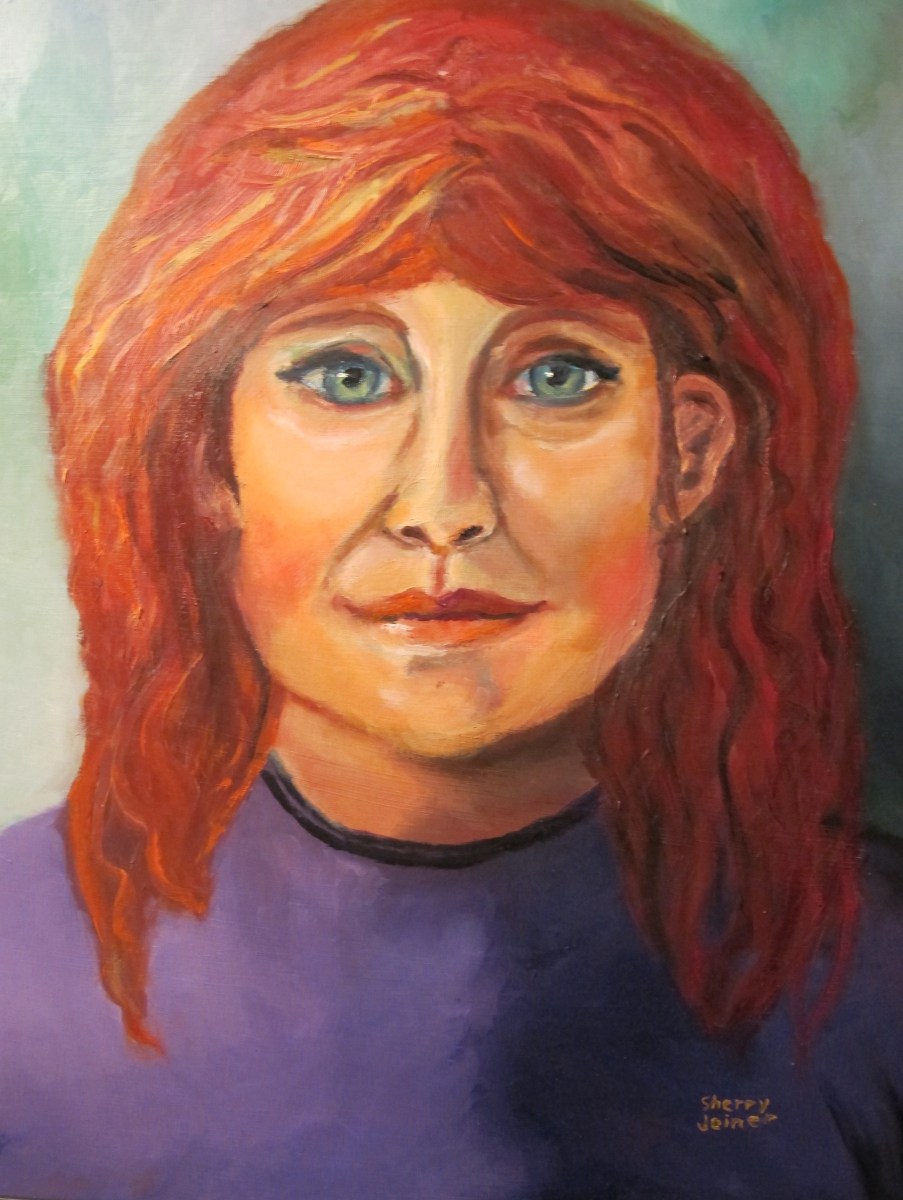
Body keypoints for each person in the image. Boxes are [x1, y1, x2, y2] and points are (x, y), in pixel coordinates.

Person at [1, 0, 902, 1196]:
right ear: (209, 453)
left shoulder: (873, 986)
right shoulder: (16, 974)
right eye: (345, 374)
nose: (446, 502)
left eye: (557, 375)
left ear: (690, 455)